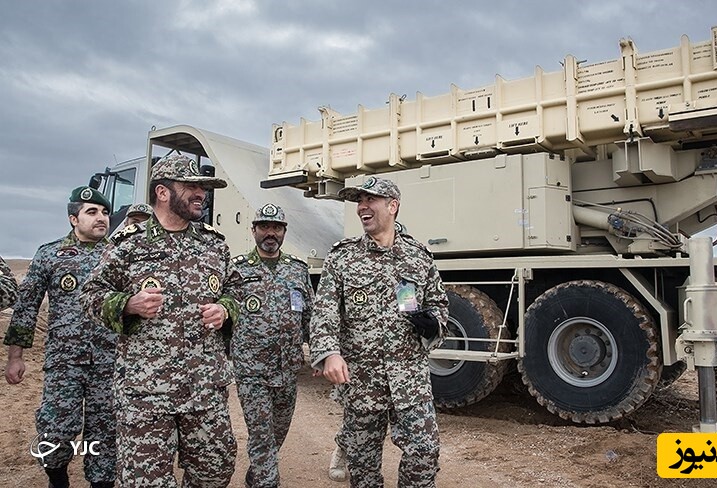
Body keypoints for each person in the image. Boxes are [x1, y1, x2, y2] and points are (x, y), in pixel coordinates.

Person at [80, 154, 241, 487]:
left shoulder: (215, 246)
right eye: (192, 187)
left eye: (203, 188)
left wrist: (225, 309)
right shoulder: (129, 246)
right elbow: (90, 295)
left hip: (204, 388)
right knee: (144, 481)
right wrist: (128, 304)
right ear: (163, 192)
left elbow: (236, 291)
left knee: (216, 470)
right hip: (145, 393)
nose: (201, 194)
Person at [310, 176, 449, 487]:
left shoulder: (419, 256)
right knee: (363, 468)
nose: (362, 207)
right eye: (360, 201)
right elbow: (325, 310)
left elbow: (440, 306)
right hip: (361, 380)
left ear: (393, 206)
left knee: (424, 452)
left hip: (409, 380)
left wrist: (433, 323)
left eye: (370, 199)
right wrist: (328, 353)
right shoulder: (342, 256)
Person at [3, 186, 116, 488]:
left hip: (110, 363)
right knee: (56, 432)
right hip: (63, 364)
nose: (101, 218)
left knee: (105, 434)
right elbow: (27, 307)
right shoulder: (50, 254)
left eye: (104, 212)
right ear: (73, 218)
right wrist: (15, 357)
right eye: (92, 212)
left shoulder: (118, 254)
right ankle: (58, 479)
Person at [230, 203, 314, 488]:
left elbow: (310, 316)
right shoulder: (237, 269)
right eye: (264, 226)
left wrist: (319, 354)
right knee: (261, 434)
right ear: (253, 230)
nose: (270, 233)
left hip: (287, 368)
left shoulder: (298, 270)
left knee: (278, 431)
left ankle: (259, 472)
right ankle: (266, 480)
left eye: (276, 227)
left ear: (284, 232)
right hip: (251, 369)